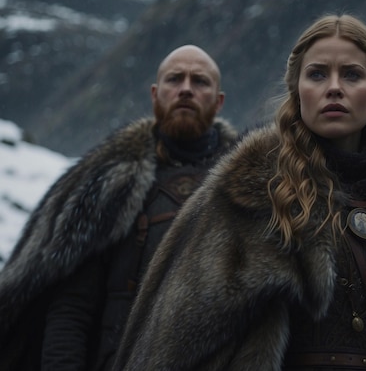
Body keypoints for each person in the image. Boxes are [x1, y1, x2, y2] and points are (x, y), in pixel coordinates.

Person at [114, 15, 366, 371]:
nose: (334, 87)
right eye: (317, 74)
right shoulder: (248, 196)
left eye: (352, 75)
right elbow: (169, 346)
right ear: (297, 91)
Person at [0, 44, 238, 370]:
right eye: (174, 79)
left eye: (200, 81)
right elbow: (72, 309)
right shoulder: (109, 187)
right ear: (155, 94)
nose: (185, 89)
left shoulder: (244, 190)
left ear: (219, 100)